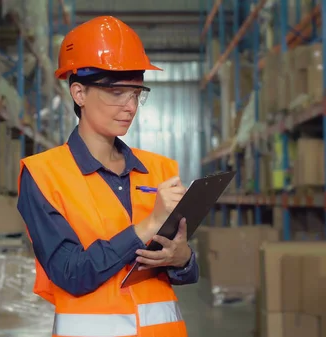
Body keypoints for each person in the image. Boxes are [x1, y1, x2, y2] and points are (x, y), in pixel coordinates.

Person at [16, 16, 198, 337]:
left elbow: (182, 268)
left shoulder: (160, 169)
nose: (130, 107)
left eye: (136, 93)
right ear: (79, 93)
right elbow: (71, 273)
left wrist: (183, 259)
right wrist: (147, 225)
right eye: (116, 92)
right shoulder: (43, 175)